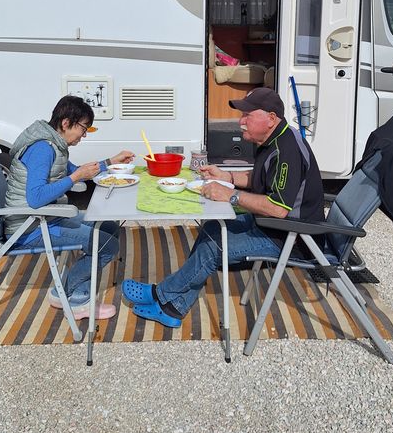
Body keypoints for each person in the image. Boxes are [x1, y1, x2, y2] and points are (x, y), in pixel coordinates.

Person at [122, 87, 324, 326]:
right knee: (211, 229)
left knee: (213, 247)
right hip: (273, 226)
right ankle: (174, 308)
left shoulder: (286, 150)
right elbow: (261, 178)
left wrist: (231, 195)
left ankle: (161, 294)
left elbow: (279, 208)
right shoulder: (274, 139)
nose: (241, 122)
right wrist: (227, 176)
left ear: (271, 118)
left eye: (248, 115)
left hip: (292, 237)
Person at [4, 95, 135, 320]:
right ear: (66, 123)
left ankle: (61, 291)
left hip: (43, 218)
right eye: (83, 129)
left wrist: (111, 162)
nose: (83, 136)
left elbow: (75, 169)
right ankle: (75, 300)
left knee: (110, 227)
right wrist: (75, 177)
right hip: (28, 228)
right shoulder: (43, 148)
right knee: (106, 246)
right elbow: (35, 198)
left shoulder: (53, 142)